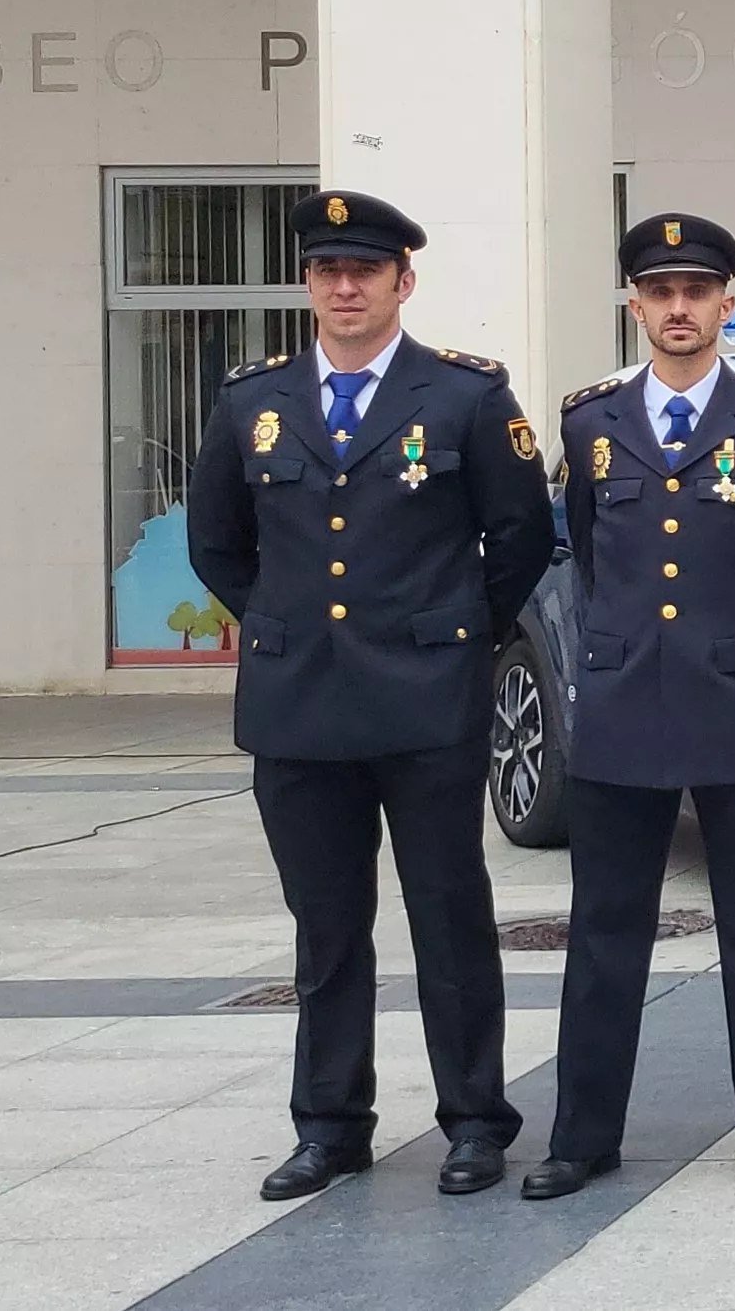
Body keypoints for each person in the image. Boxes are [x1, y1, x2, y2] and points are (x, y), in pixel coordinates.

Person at [184, 190, 555, 1202]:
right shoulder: (251, 402)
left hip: (427, 697)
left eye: (367, 271)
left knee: (448, 913)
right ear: (308, 283)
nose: (346, 288)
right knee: (327, 924)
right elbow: (215, 539)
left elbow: (520, 533)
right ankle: (331, 1124)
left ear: (403, 282)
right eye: (328, 271)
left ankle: (476, 1119)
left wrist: (455, 626)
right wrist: (287, 619)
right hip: (300, 705)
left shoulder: (466, 397)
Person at [524, 214, 735, 1201]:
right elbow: (582, 549)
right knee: (605, 929)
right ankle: (581, 1135)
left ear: (724, 305)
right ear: (635, 306)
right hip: (620, 705)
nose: (677, 308)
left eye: (695, 291)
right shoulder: (590, 422)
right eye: (658, 292)